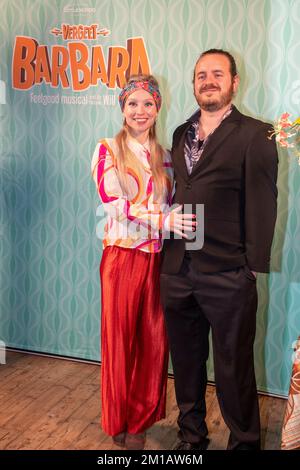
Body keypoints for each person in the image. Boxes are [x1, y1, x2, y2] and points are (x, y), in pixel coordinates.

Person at [160, 49, 278, 450]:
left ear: (234, 82)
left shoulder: (256, 134)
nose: (207, 81)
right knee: (187, 364)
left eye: (216, 74)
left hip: (228, 272)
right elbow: (184, 192)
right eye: (200, 75)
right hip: (178, 267)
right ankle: (191, 438)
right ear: (194, 84)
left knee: (234, 367)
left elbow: (264, 203)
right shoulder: (179, 133)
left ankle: (245, 442)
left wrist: (250, 268)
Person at [91, 74, 195, 450]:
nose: (140, 110)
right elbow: (114, 205)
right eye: (132, 103)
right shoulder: (107, 149)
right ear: (123, 107)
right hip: (120, 258)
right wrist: (161, 220)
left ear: (157, 109)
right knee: (119, 341)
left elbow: (179, 207)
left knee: (153, 342)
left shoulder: (167, 157)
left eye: (148, 104)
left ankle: (139, 420)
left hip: (157, 261)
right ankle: (117, 419)